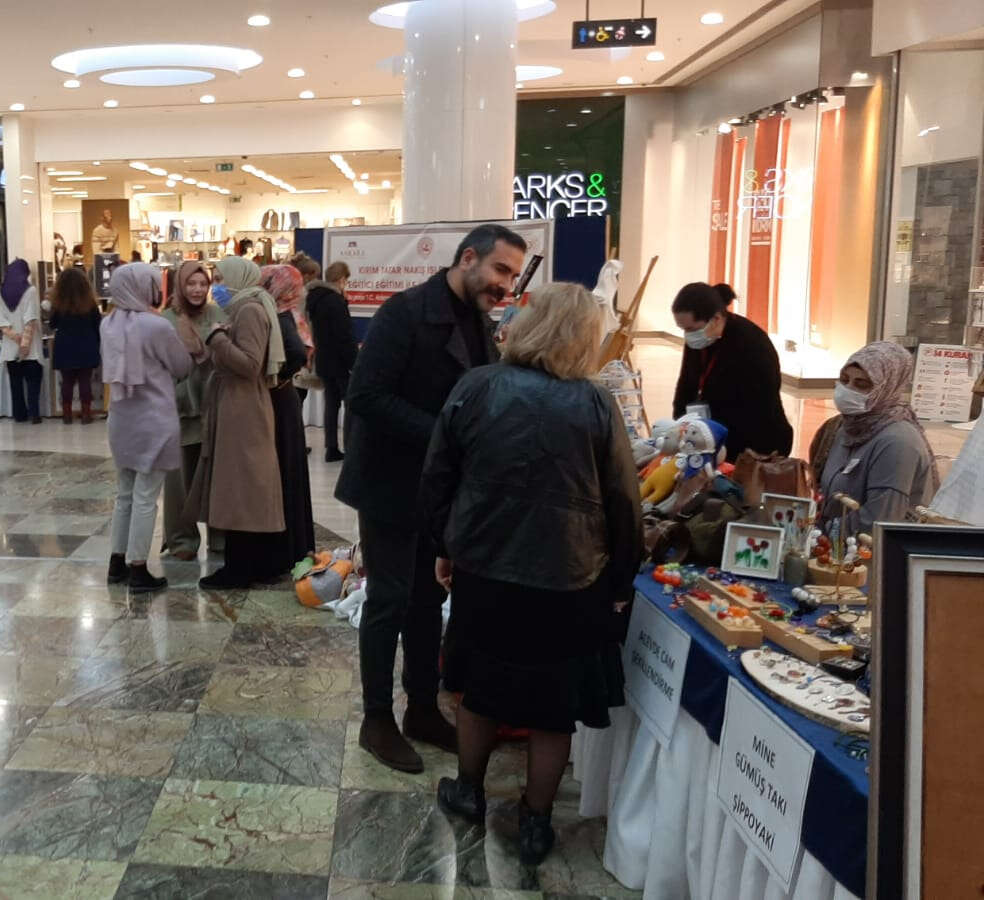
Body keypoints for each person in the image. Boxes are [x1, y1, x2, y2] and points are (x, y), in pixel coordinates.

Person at [424, 282, 640, 866]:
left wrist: (444, 545)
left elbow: (438, 475)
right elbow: (623, 500)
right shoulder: (596, 404)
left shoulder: (476, 386)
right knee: (553, 708)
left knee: (478, 688)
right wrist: (622, 578)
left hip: (485, 568)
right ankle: (536, 823)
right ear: (584, 337)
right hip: (570, 577)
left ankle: (468, 792)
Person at [336, 223, 527, 773]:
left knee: (425, 602)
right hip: (389, 483)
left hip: (437, 487)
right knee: (389, 599)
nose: (506, 284)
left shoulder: (477, 320)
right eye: (500, 269)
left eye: (513, 275)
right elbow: (365, 395)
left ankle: (421, 707)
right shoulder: (403, 312)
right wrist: (443, 434)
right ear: (468, 258)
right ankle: (377, 719)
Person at [103, 264, 201, 593]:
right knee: (146, 496)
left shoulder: (108, 323)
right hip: (154, 419)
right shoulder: (155, 325)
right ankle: (138, 569)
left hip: (121, 418)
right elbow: (181, 366)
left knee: (124, 494)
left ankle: (117, 563)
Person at [190, 256, 287, 589]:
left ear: (238, 278)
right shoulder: (244, 308)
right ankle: (249, 564)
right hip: (237, 404)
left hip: (243, 408)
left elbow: (249, 364)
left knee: (242, 486)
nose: (216, 286)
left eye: (220, 279)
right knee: (242, 486)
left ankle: (240, 567)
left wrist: (216, 338)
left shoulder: (249, 310)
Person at [815, 341, 938, 532]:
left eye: (861, 384)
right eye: (844, 380)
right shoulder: (841, 428)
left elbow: (879, 520)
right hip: (832, 542)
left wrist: (823, 532)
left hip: (868, 548)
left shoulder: (897, 443)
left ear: (888, 387)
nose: (848, 389)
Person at [671, 282, 793, 457]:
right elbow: (686, 384)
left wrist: (714, 442)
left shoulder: (751, 343)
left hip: (756, 443)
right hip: (713, 434)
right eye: (683, 329)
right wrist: (681, 425)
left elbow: (757, 406)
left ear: (716, 319)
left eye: (690, 329)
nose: (688, 335)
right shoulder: (701, 338)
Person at [162, 261, 227, 561]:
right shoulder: (167, 319)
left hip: (214, 404)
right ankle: (181, 540)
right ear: (180, 285)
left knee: (216, 476)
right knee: (179, 480)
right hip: (179, 407)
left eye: (203, 284)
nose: (198, 289)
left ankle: (220, 537)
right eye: (191, 283)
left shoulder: (217, 314)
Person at [262, 263, 316, 572]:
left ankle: (284, 546)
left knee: (283, 470)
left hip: (279, 400)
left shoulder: (281, 316)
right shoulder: (288, 315)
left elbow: (296, 354)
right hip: (285, 400)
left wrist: (279, 374)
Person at [305, 260, 356, 462]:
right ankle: (351, 447)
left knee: (331, 404)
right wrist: (354, 362)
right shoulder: (336, 302)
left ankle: (331, 447)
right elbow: (344, 336)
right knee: (351, 404)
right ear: (341, 279)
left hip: (324, 359)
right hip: (340, 362)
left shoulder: (315, 298)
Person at [48, 267, 103, 425]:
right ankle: (86, 414)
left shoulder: (58, 304)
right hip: (86, 343)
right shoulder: (90, 303)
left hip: (65, 345)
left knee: (67, 382)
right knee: (85, 381)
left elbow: (52, 324)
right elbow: (97, 324)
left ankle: (67, 415)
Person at [0, 259, 45, 423]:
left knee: (15, 384)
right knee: (33, 383)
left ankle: (19, 414)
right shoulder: (30, 291)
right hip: (31, 348)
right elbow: (30, 319)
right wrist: (24, 344)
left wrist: (15, 338)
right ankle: (34, 414)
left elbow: (1, 322)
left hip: (10, 348)